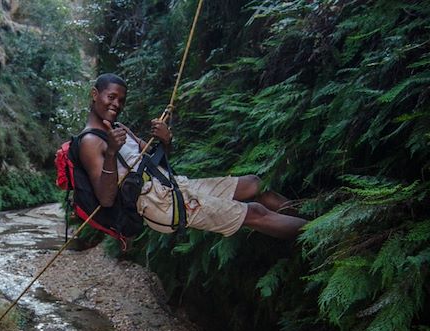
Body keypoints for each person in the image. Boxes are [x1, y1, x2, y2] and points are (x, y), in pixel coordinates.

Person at [78, 73, 307, 240]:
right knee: (255, 212)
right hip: (159, 204)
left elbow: (153, 162)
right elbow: (106, 199)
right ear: (95, 94)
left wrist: (166, 141)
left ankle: (311, 217)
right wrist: (110, 153)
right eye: (111, 97)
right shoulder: (90, 141)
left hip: (173, 186)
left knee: (254, 184)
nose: (116, 104)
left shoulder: (120, 128)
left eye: (121, 100)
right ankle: (323, 235)